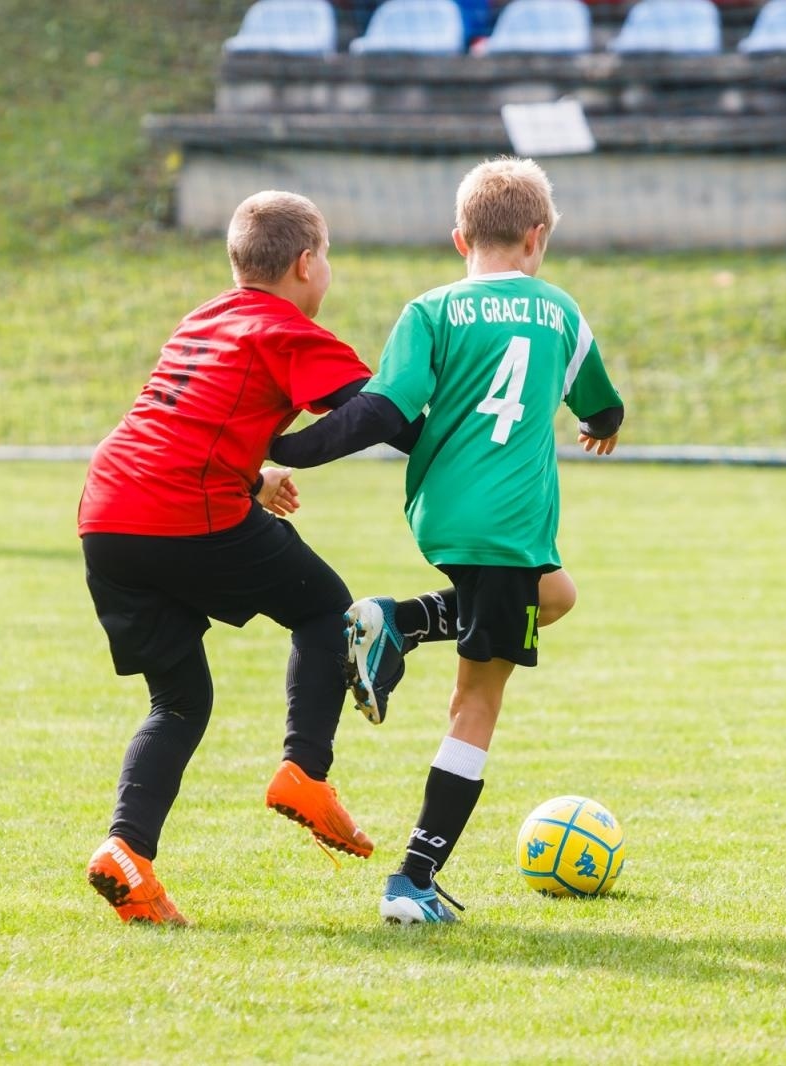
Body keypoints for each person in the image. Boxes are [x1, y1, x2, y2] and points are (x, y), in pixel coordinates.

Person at [267, 157, 625, 924]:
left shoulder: (429, 311)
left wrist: (289, 449)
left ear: (459, 237)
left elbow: (384, 411)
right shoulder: (563, 313)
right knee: (475, 706)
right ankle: (414, 881)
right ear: (538, 238)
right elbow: (601, 402)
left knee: (555, 594)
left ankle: (398, 620)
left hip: (442, 514)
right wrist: (603, 424)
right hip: (506, 529)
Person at [79, 190, 420, 926]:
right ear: (305, 263)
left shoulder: (204, 317)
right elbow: (371, 410)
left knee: (178, 701)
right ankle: (305, 772)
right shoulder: (286, 328)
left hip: (108, 511)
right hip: (180, 508)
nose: (326, 271)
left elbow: (183, 413)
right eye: (325, 258)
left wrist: (254, 471)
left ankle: (126, 853)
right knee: (326, 610)